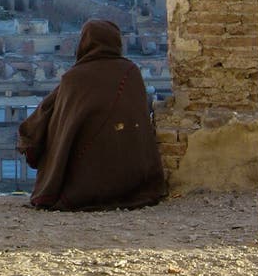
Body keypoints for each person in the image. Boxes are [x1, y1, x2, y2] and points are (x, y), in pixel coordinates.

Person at [17, 19, 166, 211]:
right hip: (133, 183)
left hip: (81, 185)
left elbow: (54, 120)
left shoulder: (74, 78)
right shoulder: (130, 73)